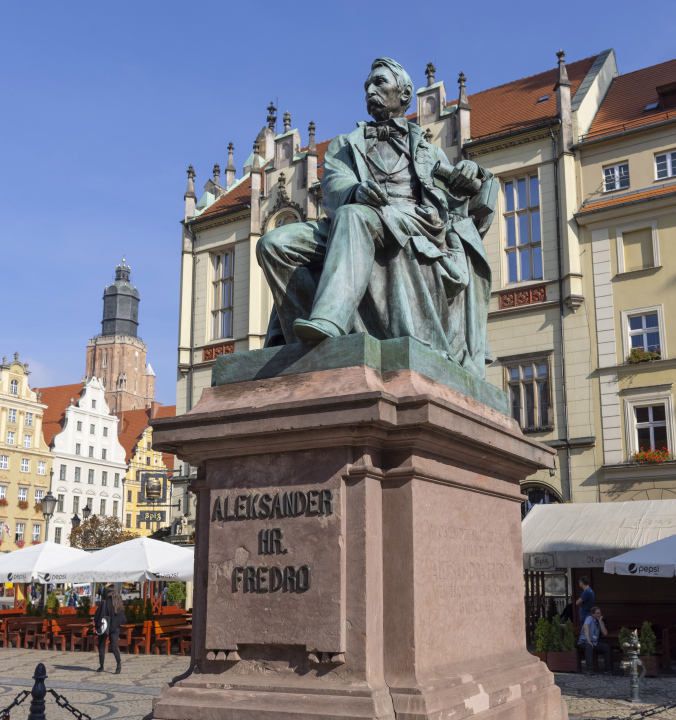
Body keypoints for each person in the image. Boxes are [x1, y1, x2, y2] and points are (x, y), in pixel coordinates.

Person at [257, 57, 498, 379]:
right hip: (352, 216)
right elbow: (333, 184)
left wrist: (475, 173)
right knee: (273, 243)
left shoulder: (430, 150)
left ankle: (329, 321)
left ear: (405, 93)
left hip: (412, 220)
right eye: (367, 85)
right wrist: (356, 190)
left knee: (354, 216)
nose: (370, 90)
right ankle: (313, 346)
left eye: (379, 83)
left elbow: (467, 203)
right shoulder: (345, 145)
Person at [94, 585, 127, 674]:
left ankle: (101, 666)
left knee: (102, 646)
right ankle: (118, 664)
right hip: (115, 628)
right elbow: (122, 617)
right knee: (114, 647)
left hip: (105, 626)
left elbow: (97, 615)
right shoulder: (118, 602)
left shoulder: (104, 602)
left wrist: (97, 626)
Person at [578, 606, 612, 674]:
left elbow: (605, 633)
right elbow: (585, 627)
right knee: (589, 646)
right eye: (597, 613)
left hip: (594, 642)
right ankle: (589, 669)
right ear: (592, 614)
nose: (599, 615)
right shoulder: (589, 618)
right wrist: (589, 641)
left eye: (600, 613)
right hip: (584, 642)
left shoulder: (599, 620)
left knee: (606, 647)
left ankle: (608, 669)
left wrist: (600, 622)